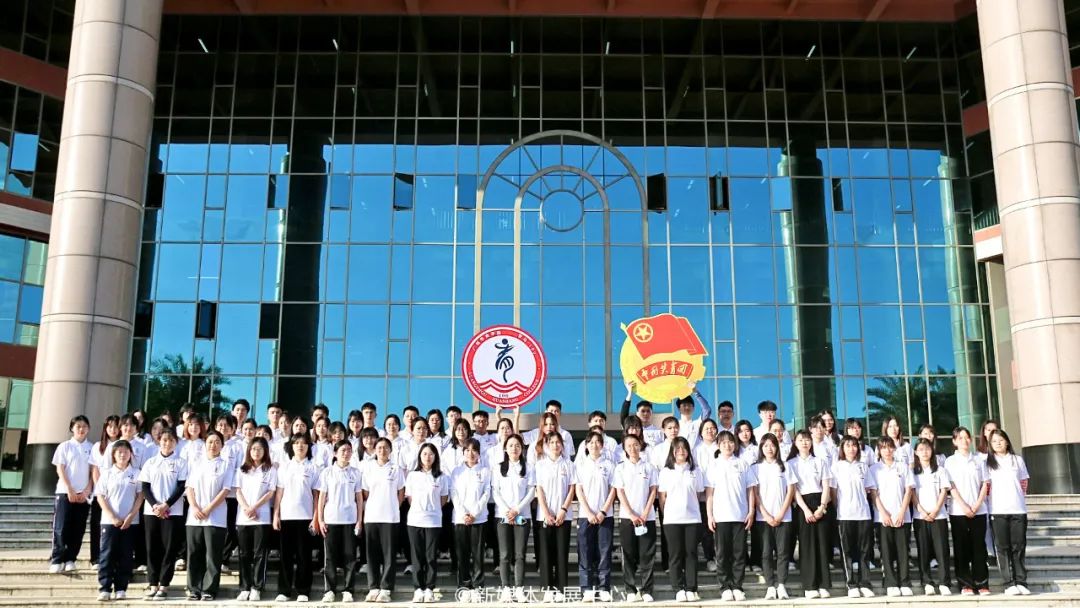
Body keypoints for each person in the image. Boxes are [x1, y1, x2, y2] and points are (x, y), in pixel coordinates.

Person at [704, 430, 756, 602]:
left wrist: (751, 511)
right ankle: (725, 587)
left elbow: (750, 489)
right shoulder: (713, 465)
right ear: (718, 445)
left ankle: (737, 586)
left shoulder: (742, 463)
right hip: (720, 516)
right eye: (724, 442)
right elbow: (709, 493)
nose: (728, 445)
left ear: (735, 444)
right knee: (722, 554)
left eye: (730, 442)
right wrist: (709, 515)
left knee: (739, 554)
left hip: (740, 516)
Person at [139, 428, 188, 600]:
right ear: (159, 441)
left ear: (176, 442)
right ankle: (153, 583)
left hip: (173, 512)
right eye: (164, 440)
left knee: (169, 549)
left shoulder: (181, 463)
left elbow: (181, 487)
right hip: (151, 512)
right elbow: (145, 487)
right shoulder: (150, 462)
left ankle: (164, 585)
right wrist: (155, 506)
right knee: (152, 548)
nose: (167, 443)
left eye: (171, 440)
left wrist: (166, 505)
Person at [184, 431, 233, 601]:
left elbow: (225, 490)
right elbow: (189, 487)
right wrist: (195, 507)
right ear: (205, 444)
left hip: (215, 517)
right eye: (210, 441)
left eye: (217, 442)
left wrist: (208, 509)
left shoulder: (226, 465)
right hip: (194, 516)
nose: (213, 445)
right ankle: (193, 588)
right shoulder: (197, 463)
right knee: (194, 554)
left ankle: (209, 589)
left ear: (222, 445)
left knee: (213, 555)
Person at [94, 439, 144, 602]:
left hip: (130, 522)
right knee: (107, 555)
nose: (123, 455)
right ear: (114, 455)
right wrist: (112, 516)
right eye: (119, 452)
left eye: (126, 452)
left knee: (126, 555)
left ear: (131, 454)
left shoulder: (136, 473)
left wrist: (130, 516)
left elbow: (140, 496)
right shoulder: (107, 473)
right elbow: (101, 496)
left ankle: (121, 588)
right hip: (109, 522)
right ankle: (105, 588)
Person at [273, 432, 319, 602]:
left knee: (304, 556)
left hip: (306, 517)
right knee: (285, 556)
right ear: (291, 446)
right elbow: (279, 493)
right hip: (286, 516)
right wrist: (276, 515)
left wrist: (315, 517)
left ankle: (303, 591)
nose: (300, 446)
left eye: (303, 443)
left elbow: (317, 495)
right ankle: (284, 591)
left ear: (308, 447)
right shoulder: (284, 467)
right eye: (297, 443)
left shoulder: (313, 467)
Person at [317, 440, 364, 603]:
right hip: (331, 519)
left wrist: (359, 521)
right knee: (330, 557)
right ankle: (329, 590)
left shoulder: (356, 473)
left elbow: (359, 498)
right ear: (335, 453)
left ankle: (348, 590)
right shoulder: (327, 472)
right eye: (343, 450)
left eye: (349, 450)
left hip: (350, 520)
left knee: (350, 556)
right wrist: (320, 520)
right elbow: (321, 498)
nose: (346, 453)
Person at [658, 436, 705, 602]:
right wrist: (667, 513)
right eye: (677, 448)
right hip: (672, 519)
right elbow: (662, 497)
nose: (681, 451)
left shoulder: (695, 471)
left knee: (691, 554)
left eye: (684, 448)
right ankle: (678, 588)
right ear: (672, 451)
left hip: (692, 519)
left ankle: (691, 588)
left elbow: (698, 494)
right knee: (675, 554)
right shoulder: (666, 472)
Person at [945, 426, 991, 596]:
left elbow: (985, 483)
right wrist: (964, 506)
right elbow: (951, 486)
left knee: (979, 547)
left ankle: (981, 582)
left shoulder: (979, 460)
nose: (964, 441)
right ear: (954, 441)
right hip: (958, 511)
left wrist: (977, 505)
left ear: (971, 440)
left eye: (966, 437)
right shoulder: (950, 461)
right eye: (960, 438)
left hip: (979, 510)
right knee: (961, 548)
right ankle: (965, 584)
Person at [788, 429, 832, 599]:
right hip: (802, 505)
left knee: (822, 544)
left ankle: (823, 584)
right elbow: (794, 490)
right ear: (795, 443)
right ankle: (810, 585)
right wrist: (806, 510)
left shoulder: (820, 461)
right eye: (801, 440)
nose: (804, 443)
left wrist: (822, 507)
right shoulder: (791, 463)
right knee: (806, 545)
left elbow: (826, 486)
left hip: (820, 502)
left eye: (807, 439)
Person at [614, 433, 658, 603]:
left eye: (635, 444)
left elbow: (653, 490)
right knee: (628, 554)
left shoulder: (649, 467)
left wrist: (645, 512)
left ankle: (647, 589)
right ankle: (630, 589)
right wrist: (631, 514)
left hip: (647, 517)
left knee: (647, 554)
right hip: (627, 518)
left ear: (640, 445)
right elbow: (620, 492)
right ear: (624, 448)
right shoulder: (620, 468)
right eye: (629, 445)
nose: (633, 448)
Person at [986, 429, 1031, 596]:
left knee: (1019, 546)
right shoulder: (987, 462)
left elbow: (1023, 481)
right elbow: (986, 486)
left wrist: (1018, 497)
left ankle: (1021, 581)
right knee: (1002, 547)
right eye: (994, 441)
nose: (998, 443)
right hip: (998, 510)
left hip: (1018, 509)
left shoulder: (1017, 460)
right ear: (990, 444)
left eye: (1001, 440)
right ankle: (1008, 582)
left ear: (1007, 441)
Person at [753, 433, 796, 600]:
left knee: (783, 552)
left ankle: (782, 585)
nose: (769, 448)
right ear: (761, 448)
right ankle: (770, 586)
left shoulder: (785, 466)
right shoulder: (755, 468)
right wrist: (765, 514)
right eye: (765, 445)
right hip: (763, 518)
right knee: (766, 553)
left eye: (772, 445)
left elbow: (790, 491)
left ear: (777, 447)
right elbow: (755, 493)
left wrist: (781, 513)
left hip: (783, 517)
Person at [361, 437, 405, 603]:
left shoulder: (395, 468)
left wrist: (394, 506)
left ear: (390, 450)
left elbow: (401, 491)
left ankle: (386, 588)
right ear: (374, 450)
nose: (382, 450)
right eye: (379, 447)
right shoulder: (368, 467)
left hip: (390, 517)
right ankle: (373, 587)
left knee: (389, 555)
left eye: (386, 447)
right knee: (372, 554)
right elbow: (365, 492)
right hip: (371, 516)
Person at [574, 430, 617, 602]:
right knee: (585, 551)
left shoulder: (609, 465)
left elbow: (613, 489)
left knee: (604, 551)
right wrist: (589, 512)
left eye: (597, 442)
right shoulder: (580, 465)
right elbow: (578, 490)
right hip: (585, 516)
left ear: (602, 445)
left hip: (605, 516)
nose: (594, 445)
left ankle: (604, 587)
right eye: (591, 442)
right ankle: (587, 588)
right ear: (586, 445)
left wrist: (603, 511)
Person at [832, 435, 876, 598]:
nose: (851, 448)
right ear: (842, 448)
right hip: (845, 515)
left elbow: (870, 489)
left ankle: (865, 583)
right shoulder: (836, 467)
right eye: (848, 445)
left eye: (854, 445)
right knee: (847, 551)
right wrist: (839, 508)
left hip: (863, 514)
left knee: (864, 551)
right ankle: (851, 585)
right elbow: (833, 492)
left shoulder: (863, 466)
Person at [870, 436, 915, 597]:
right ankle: (890, 582)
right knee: (886, 551)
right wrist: (883, 513)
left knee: (903, 551)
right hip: (882, 517)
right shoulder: (874, 469)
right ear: (879, 450)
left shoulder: (902, 467)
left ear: (894, 448)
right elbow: (873, 493)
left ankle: (905, 582)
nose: (887, 450)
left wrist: (902, 512)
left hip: (902, 516)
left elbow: (909, 490)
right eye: (883, 447)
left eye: (890, 447)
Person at [234, 436, 276, 602]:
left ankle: (257, 587)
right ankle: (244, 587)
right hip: (243, 517)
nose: (256, 452)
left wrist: (255, 507)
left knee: (260, 554)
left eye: (259, 449)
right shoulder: (242, 470)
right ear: (249, 451)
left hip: (261, 517)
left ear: (265, 451)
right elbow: (238, 491)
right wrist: (246, 507)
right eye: (253, 449)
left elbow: (270, 492)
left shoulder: (270, 470)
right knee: (244, 554)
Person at [405, 443, 449, 604]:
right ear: (420, 456)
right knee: (417, 557)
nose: (427, 457)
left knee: (431, 557)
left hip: (434, 521)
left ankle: (429, 588)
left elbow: (443, 499)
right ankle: (418, 588)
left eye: (431, 454)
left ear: (435, 457)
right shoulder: (412, 475)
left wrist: (432, 509)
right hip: (415, 521)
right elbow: (410, 498)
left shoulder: (441, 477)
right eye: (424, 454)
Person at [492, 434, 533, 602]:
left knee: (520, 554)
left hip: (522, 516)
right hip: (503, 516)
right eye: (511, 445)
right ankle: (506, 588)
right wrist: (507, 510)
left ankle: (519, 589)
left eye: (517, 445)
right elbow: (495, 491)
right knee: (504, 554)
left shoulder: (528, 467)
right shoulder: (498, 468)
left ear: (522, 448)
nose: (514, 448)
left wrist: (517, 509)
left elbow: (531, 491)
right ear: (505, 448)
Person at [50, 415, 93, 575]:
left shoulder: (92, 447)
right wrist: (69, 489)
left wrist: (87, 490)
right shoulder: (65, 446)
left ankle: (70, 559)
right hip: (65, 492)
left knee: (78, 528)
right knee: (61, 527)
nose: (81, 429)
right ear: (72, 428)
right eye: (78, 426)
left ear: (88, 428)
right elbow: (60, 469)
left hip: (84, 494)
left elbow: (93, 471)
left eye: (84, 426)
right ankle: (57, 559)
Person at [534, 431, 574, 602]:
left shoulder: (569, 464)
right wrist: (546, 512)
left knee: (561, 553)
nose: (555, 445)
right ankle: (548, 588)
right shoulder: (540, 465)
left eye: (558, 442)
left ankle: (561, 589)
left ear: (562, 446)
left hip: (564, 515)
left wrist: (563, 510)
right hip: (545, 516)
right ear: (546, 445)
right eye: (552, 442)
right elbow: (539, 489)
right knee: (545, 553)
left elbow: (572, 488)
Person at [450, 438, 491, 601]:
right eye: (467, 450)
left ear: (479, 453)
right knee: (462, 554)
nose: (470, 453)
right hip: (460, 519)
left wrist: (474, 513)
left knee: (478, 554)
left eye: (474, 450)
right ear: (463, 452)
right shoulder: (456, 471)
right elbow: (453, 493)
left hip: (479, 519)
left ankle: (478, 586)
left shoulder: (485, 471)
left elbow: (486, 493)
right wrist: (463, 514)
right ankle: (464, 586)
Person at [912, 438, 953, 596]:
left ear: (932, 451)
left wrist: (936, 510)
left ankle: (944, 582)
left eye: (927, 449)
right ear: (916, 452)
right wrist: (922, 511)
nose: (924, 452)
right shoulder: (913, 472)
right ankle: (927, 582)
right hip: (920, 516)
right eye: (921, 449)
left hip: (939, 515)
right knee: (923, 550)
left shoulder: (940, 470)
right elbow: (912, 493)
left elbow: (944, 491)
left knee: (942, 550)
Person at [90, 416, 122, 570]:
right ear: (105, 428)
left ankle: (115, 558)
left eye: (116, 426)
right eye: (110, 426)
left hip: (118, 492)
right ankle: (96, 558)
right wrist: (100, 490)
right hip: (101, 492)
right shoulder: (98, 446)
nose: (113, 429)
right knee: (97, 525)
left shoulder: (123, 445)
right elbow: (95, 469)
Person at [619, 382, 664, 447]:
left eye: (648, 411)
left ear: (652, 413)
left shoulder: (659, 432)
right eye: (643, 411)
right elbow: (624, 415)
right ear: (637, 413)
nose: (646, 413)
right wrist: (629, 393)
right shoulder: (632, 430)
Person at [675, 383, 712, 451]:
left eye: (689, 405)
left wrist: (695, 392)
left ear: (693, 408)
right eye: (684, 405)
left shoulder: (698, 424)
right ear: (679, 409)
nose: (687, 407)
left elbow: (707, 410)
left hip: (695, 456)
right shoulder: (675, 425)